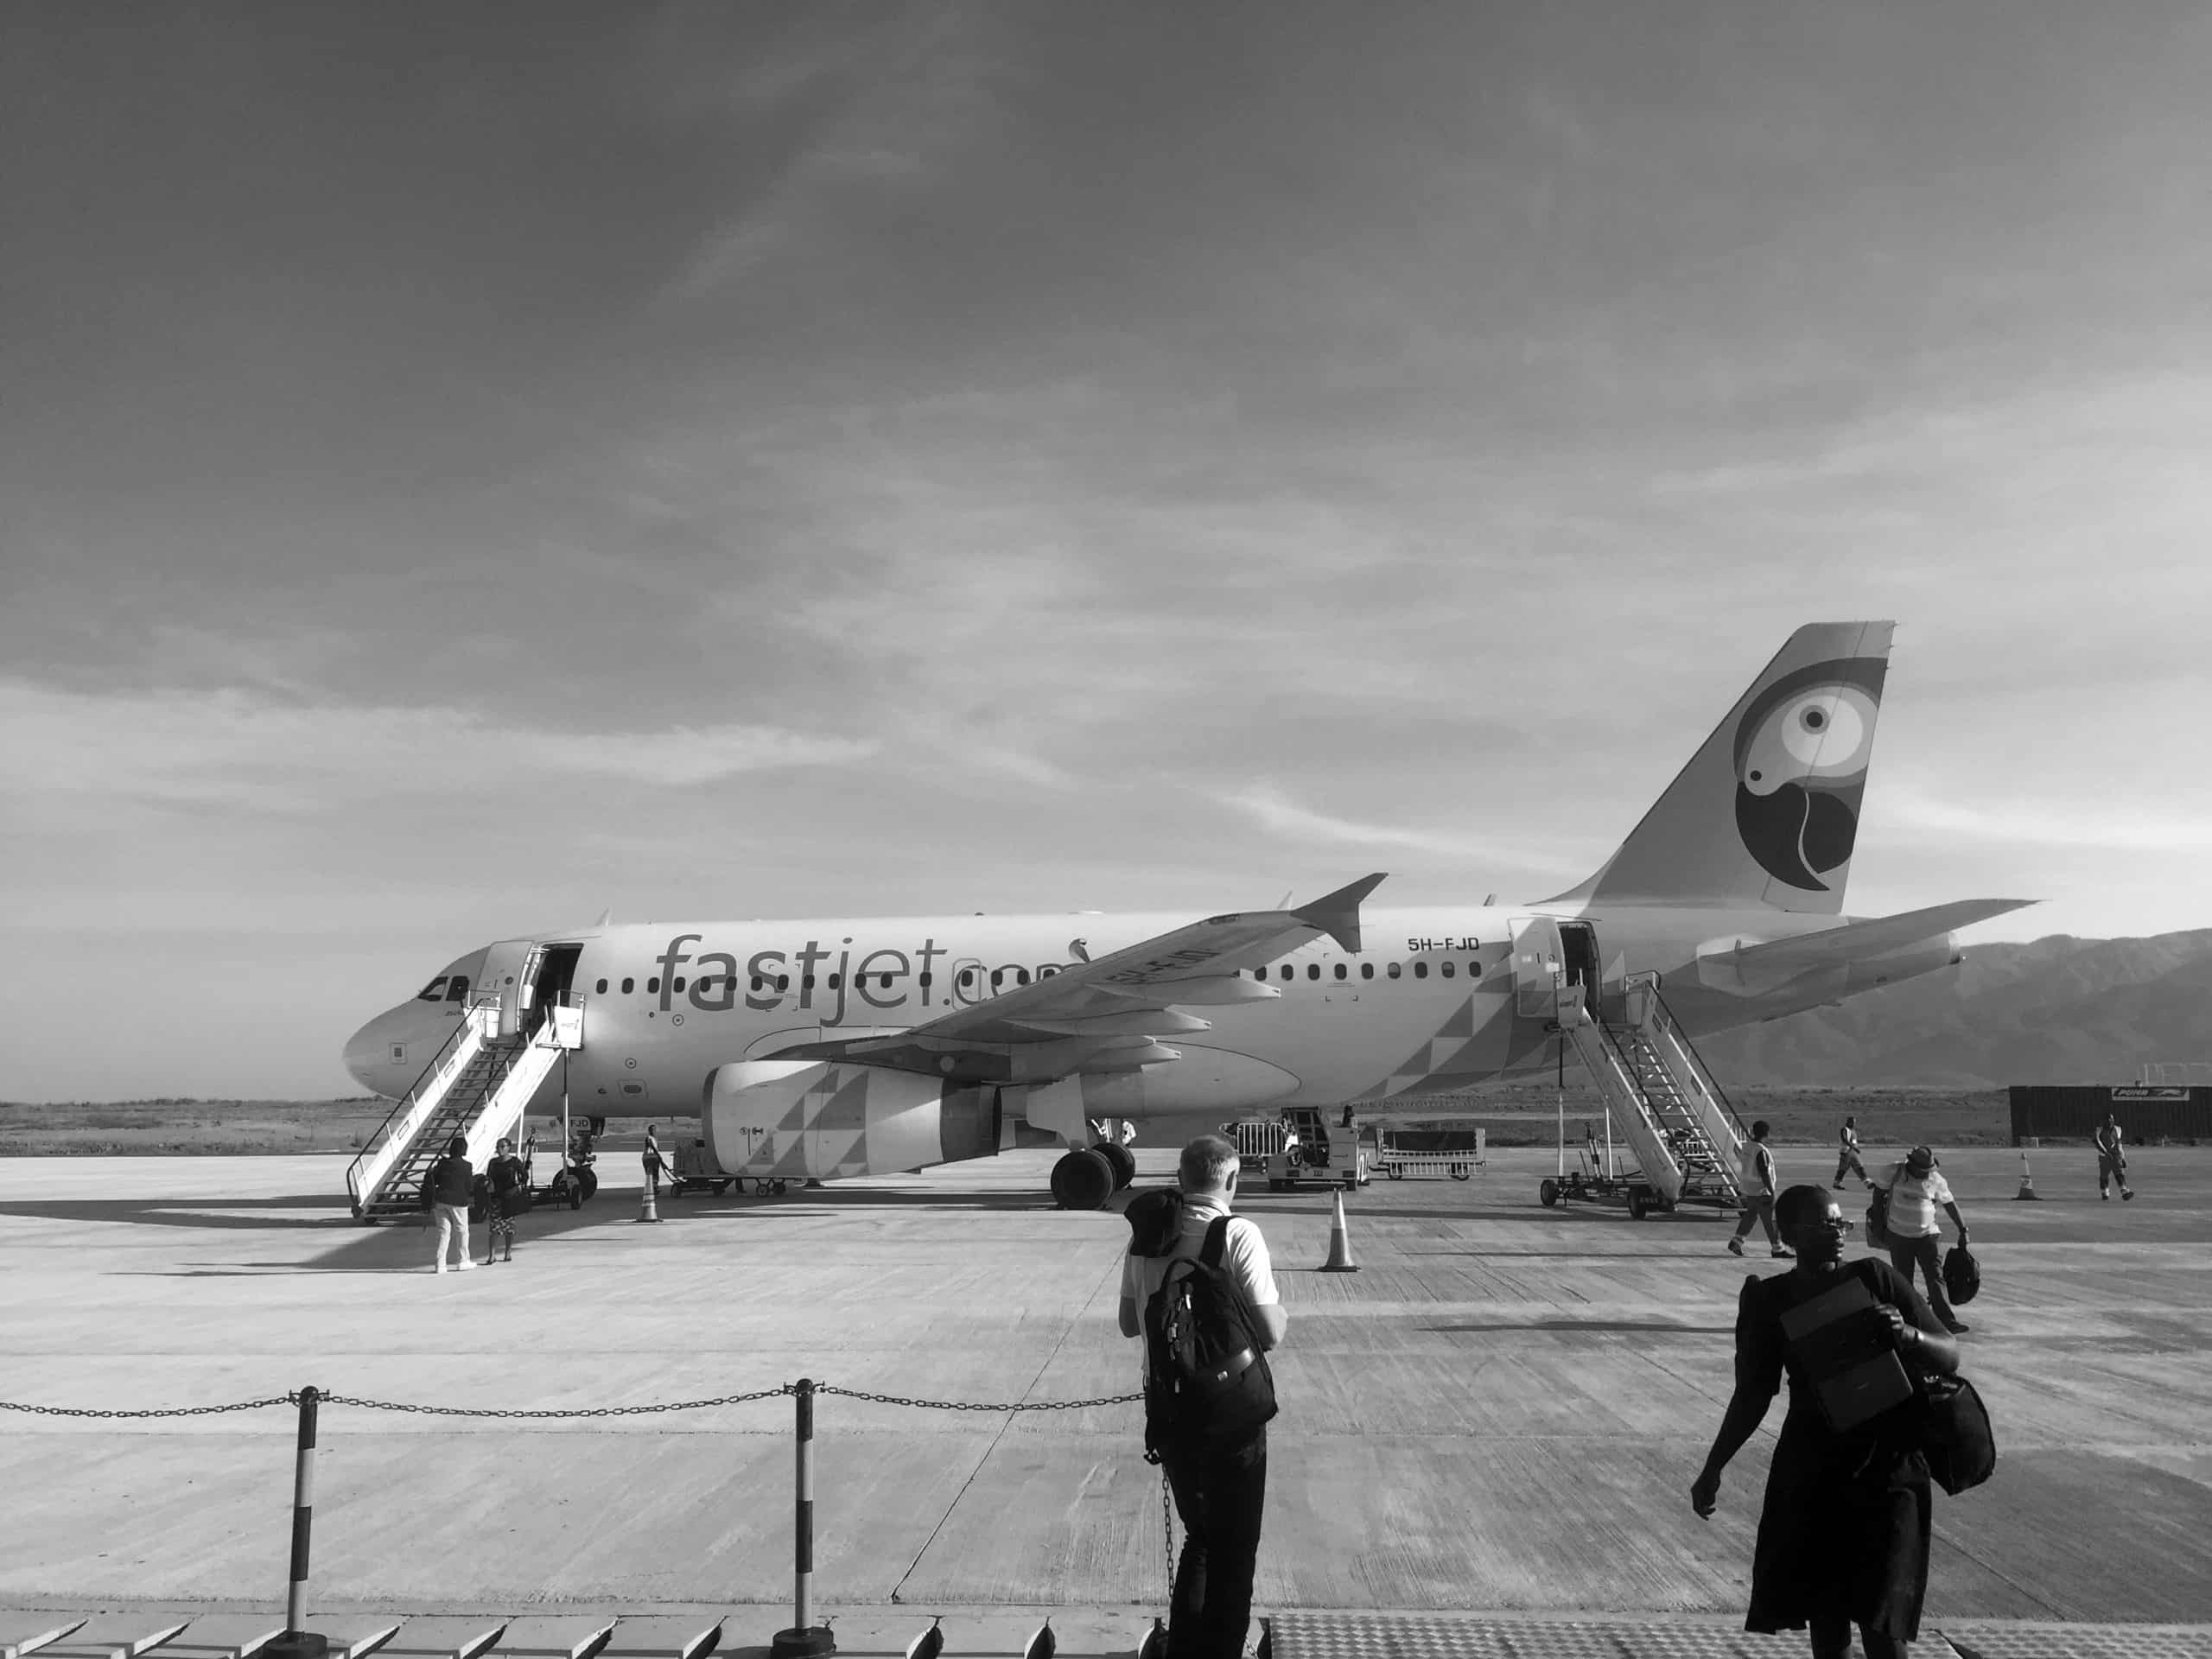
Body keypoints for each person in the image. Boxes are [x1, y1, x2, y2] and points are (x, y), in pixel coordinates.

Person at [1692, 1184, 1961, 1658]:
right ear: (1791, 1233)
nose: (1838, 1233)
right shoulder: (1768, 1300)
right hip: (1813, 1469)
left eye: (1841, 1223)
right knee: (1827, 1613)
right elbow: (1753, 1395)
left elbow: (1949, 1354)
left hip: (1888, 1464)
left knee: (1883, 1618)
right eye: (1824, 1224)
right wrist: (1714, 1466)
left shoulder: (1877, 1279)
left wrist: (1909, 1334)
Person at [1119, 1135, 1286, 1659]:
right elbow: (1270, 1330)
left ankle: (1187, 1649)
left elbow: (1129, 1324)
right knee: (1235, 1549)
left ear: (1181, 1175)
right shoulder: (1239, 1233)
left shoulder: (1146, 1236)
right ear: (1231, 1181)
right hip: (1231, 1414)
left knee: (1202, 1537)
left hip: (1168, 1410)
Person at [1878, 1146, 1971, 1334]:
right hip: (1899, 1236)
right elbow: (1878, 1194)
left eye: (1928, 1170)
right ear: (1910, 1165)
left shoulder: (1936, 1180)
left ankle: (1947, 1321)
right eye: (1922, 1170)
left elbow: (1950, 1204)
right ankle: (1910, 1319)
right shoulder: (1893, 1172)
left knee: (1936, 1278)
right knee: (1904, 1281)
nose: (1926, 1173)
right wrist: (1880, 1225)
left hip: (1928, 1237)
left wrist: (1963, 1230)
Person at [1729, 1120, 1791, 1259]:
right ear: (1767, 1133)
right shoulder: (1761, 1151)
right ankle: (1777, 1249)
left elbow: (1740, 1157)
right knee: (1770, 1220)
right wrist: (1772, 1191)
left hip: (1748, 1189)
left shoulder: (1747, 1147)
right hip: (1761, 1191)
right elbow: (1764, 1172)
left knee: (1750, 1216)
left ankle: (1736, 1242)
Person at [425, 1135, 475, 1274]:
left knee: (443, 1233)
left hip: (441, 1201)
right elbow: (470, 1187)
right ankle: (463, 1260)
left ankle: (440, 1264)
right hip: (459, 1202)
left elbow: (436, 1179)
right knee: (462, 1231)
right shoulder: (466, 1166)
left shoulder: (442, 1164)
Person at [485, 1136, 527, 1264]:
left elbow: (524, 1176)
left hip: (509, 1197)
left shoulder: (514, 1162)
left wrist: (518, 1185)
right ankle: (492, 1255)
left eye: (502, 1146)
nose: (499, 1149)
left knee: (509, 1228)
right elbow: (489, 1177)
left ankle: (507, 1253)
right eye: (498, 1147)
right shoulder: (493, 1162)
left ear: (509, 1148)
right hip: (496, 1199)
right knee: (494, 1228)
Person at [2093, 1114, 2133, 1200]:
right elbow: (2097, 1143)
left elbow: (2119, 1144)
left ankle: (2124, 1191)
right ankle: (2105, 1192)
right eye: (2107, 1121)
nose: (2110, 1122)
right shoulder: (2099, 1130)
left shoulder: (2118, 1129)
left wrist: (2122, 1158)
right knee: (2104, 1175)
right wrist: (2106, 1153)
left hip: (2115, 1156)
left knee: (2119, 1173)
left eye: (2111, 1120)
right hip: (2104, 1157)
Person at [1834, 1116, 1870, 1189]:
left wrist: (1860, 1141)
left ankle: (1867, 1182)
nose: (1854, 1124)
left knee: (1859, 1167)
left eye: (1855, 1122)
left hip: (1853, 1153)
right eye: (1853, 1122)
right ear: (1849, 1122)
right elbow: (1845, 1140)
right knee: (1842, 1170)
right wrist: (1854, 1148)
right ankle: (1836, 1184)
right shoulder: (1845, 1129)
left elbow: (1853, 1141)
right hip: (1846, 1152)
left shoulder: (1853, 1131)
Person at [642, 1124, 665, 1199]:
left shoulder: (655, 1139)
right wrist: (659, 1156)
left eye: (654, 1130)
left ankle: (654, 1187)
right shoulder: (649, 1138)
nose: (653, 1131)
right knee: (650, 1173)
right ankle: (652, 1188)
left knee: (655, 1173)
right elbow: (651, 1146)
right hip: (649, 1158)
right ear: (649, 1131)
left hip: (654, 1158)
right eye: (652, 1130)